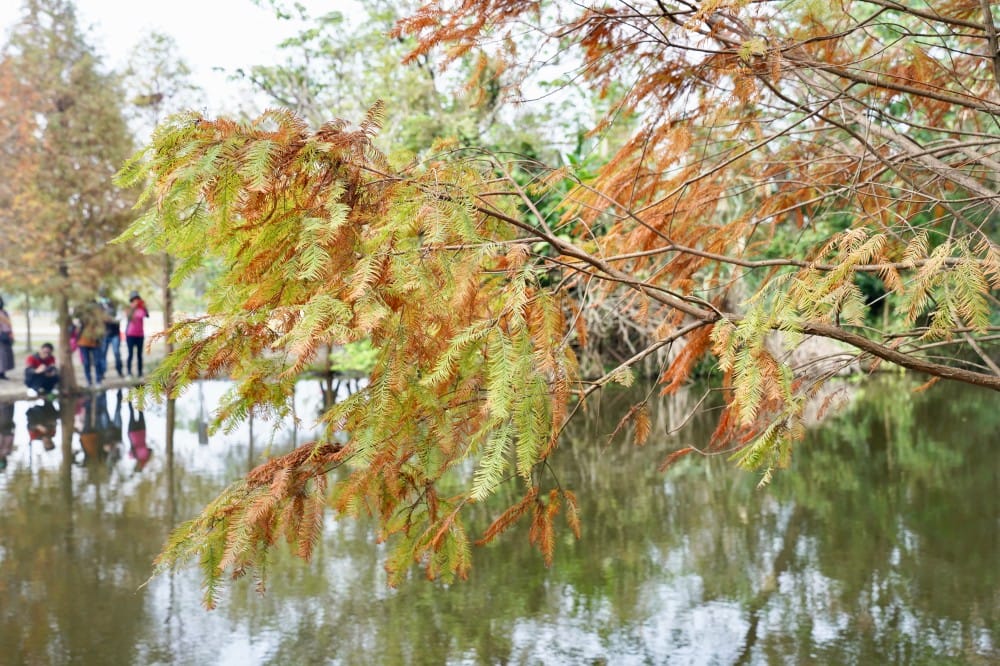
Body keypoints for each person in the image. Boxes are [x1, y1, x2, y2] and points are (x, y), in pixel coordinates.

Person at [74, 298, 107, 387]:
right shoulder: (83, 316)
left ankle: (98, 381)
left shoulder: (98, 317)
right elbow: (76, 315)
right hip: (83, 342)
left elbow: (102, 328)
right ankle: (89, 381)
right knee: (86, 363)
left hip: (95, 342)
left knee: (97, 362)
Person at [98, 288, 124, 378]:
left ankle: (119, 371)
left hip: (115, 333)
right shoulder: (99, 306)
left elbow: (119, 318)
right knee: (103, 354)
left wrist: (111, 320)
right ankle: (102, 373)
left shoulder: (114, 305)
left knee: (116, 353)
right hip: (104, 334)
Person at [125, 291, 149, 378]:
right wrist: (133, 308)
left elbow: (147, 315)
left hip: (140, 335)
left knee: (139, 355)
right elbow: (128, 317)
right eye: (134, 299)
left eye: (137, 299)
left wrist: (144, 307)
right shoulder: (128, 308)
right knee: (130, 354)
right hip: (130, 334)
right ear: (131, 300)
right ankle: (129, 373)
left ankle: (140, 373)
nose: (136, 300)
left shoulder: (141, 308)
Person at [128, 400, 151, 472]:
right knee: (141, 412)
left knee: (131, 413)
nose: (138, 465)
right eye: (139, 467)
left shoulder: (133, 456)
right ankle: (140, 396)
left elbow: (129, 454)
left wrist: (134, 453)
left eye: (137, 466)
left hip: (133, 432)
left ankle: (129, 398)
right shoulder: (145, 457)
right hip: (141, 431)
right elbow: (148, 449)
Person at [0, 295, 14, 380]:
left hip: (5, 336)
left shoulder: (4, 312)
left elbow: (9, 325)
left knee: (5, 356)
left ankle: (2, 373)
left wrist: (11, 334)